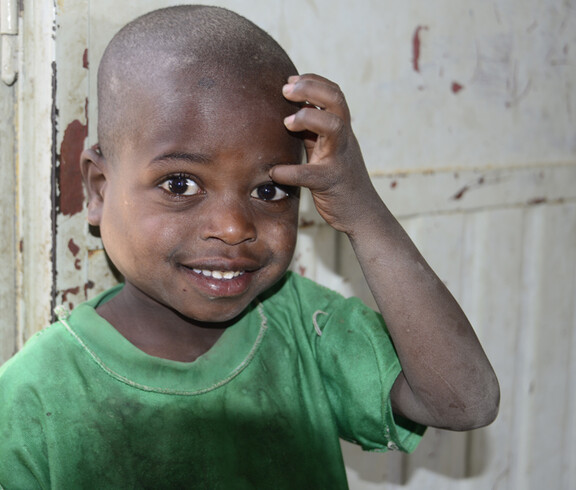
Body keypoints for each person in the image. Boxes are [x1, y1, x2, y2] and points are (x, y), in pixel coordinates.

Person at [0, 5, 499, 489]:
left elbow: (465, 401)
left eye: (269, 191)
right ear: (99, 190)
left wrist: (364, 213)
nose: (234, 227)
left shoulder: (306, 328)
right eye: (179, 184)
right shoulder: (34, 393)